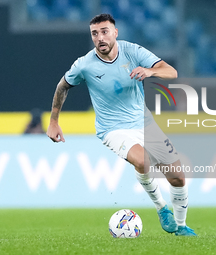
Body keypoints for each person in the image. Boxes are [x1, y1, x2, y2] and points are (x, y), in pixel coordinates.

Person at [46, 13, 196, 236]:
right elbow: (62, 86)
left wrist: (150, 71)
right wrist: (53, 121)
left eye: (104, 32)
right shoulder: (84, 65)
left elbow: (171, 72)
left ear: (115, 33)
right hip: (113, 129)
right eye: (95, 34)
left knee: (177, 176)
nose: (100, 38)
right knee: (143, 161)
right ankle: (161, 208)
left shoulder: (133, 51)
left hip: (144, 123)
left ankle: (181, 227)